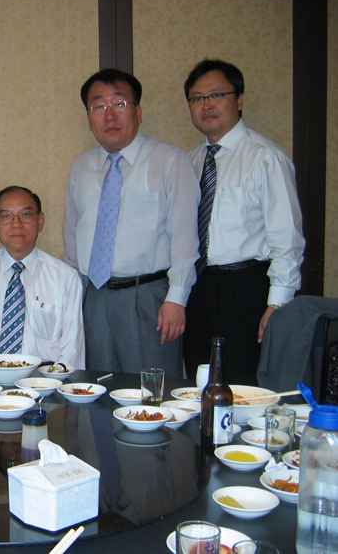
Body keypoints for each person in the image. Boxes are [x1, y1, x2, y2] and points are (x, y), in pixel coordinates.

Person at [63, 69, 199, 376]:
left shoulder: (170, 160)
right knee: (96, 388)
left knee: (151, 394)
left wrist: (177, 299)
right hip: (95, 298)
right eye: (99, 106)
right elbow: (72, 240)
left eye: (119, 103)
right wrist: (73, 303)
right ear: (89, 119)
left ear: (138, 112)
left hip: (149, 298)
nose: (109, 115)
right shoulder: (81, 168)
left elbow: (185, 238)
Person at [182, 59, 304, 386]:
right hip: (198, 287)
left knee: (241, 386)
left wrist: (277, 303)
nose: (206, 105)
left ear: (239, 100)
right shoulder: (190, 161)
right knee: (197, 382)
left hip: (245, 289)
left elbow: (288, 240)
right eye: (197, 98)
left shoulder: (265, 157)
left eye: (216, 95)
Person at [0, 186, 85, 370]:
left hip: (46, 380)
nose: (16, 224)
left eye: (26, 215)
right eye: (6, 216)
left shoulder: (66, 278)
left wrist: (54, 379)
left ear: (40, 221)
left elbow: (73, 347)